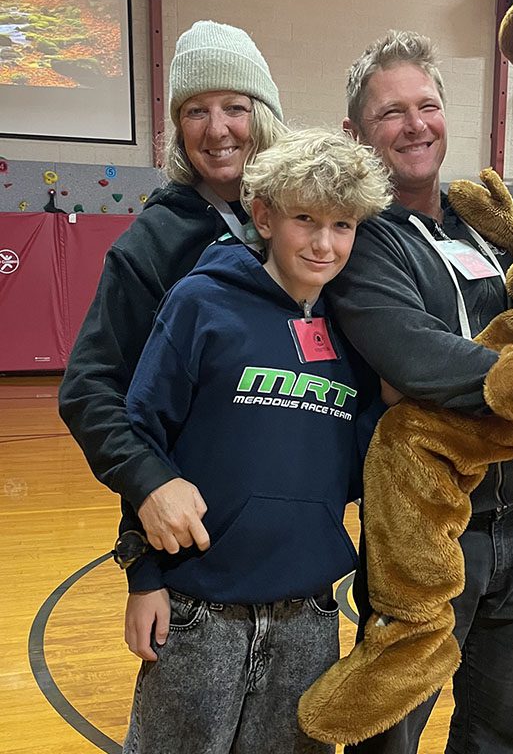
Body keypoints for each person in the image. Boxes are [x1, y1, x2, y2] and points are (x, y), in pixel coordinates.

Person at [319, 31, 513, 753]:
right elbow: (420, 364)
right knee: (387, 737)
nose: (414, 124)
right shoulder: (360, 242)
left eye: (426, 105)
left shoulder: (486, 223)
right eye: (391, 112)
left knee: (502, 732)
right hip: (426, 530)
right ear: (355, 134)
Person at [119, 128, 392, 753]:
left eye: (343, 225)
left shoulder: (357, 331)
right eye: (305, 219)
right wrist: (143, 574)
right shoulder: (200, 302)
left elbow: (357, 468)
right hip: (197, 612)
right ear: (264, 216)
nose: (324, 244)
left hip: (311, 619)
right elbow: (141, 435)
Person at [58, 20, 286, 556]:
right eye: (195, 111)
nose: (216, 129)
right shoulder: (152, 243)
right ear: (178, 128)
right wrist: (148, 485)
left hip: (295, 537)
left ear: (265, 113)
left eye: (235, 106)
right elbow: (90, 387)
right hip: (195, 539)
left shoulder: (308, 224)